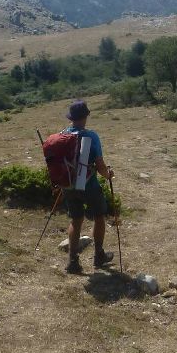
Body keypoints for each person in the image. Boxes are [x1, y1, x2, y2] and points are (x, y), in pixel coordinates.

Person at [61, 99, 115, 274]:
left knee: (76, 221)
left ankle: (72, 262)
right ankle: (99, 256)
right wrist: (108, 175)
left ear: (71, 117)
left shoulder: (62, 135)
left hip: (68, 186)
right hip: (89, 185)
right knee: (99, 216)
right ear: (85, 116)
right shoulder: (91, 136)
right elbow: (100, 166)